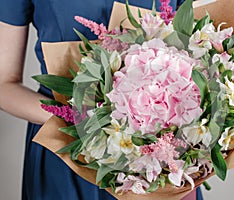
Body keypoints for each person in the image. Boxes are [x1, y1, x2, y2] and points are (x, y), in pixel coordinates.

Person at [0, 0, 203, 199]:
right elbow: (4, 84)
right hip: (65, 148)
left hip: (157, 154)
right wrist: (76, 119)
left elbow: (202, 54)